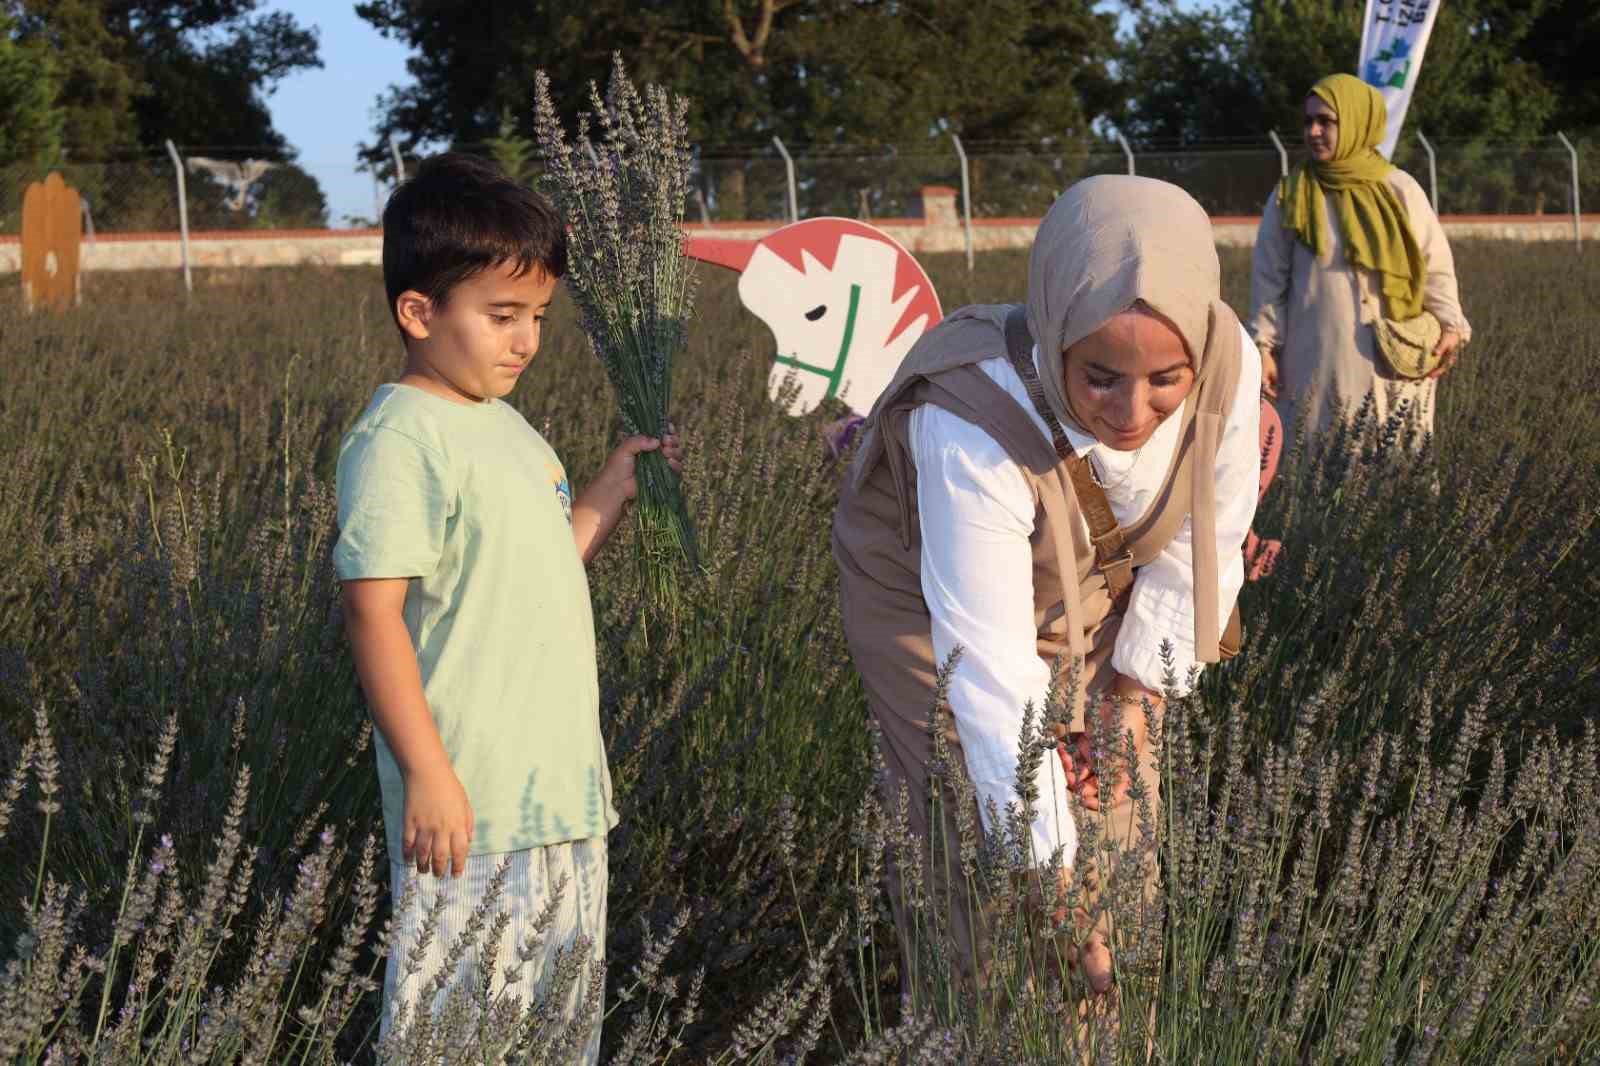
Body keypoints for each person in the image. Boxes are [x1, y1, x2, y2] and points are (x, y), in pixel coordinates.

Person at [832, 175, 1262, 997]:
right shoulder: (970, 425)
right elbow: (989, 677)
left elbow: (1207, 535)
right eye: (1099, 377)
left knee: (1120, 812)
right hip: (926, 605)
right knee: (966, 828)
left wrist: (1132, 702)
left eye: (1164, 381)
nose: (1132, 410)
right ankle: (977, 1021)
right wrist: (1057, 892)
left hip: (1093, 572)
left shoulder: (1224, 359)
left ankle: (1110, 1028)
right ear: (1057, 330)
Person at [332, 153, 681, 1058]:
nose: (524, 341)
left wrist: (610, 489)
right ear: (419, 312)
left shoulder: (509, 427)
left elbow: (543, 571)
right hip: (469, 809)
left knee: (555, 1034)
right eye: (499, 316)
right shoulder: (401, 437)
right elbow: (372, 616)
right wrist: (428, 773)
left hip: (562, 796)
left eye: (536, 318)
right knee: (455, 1032)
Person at [1251, 73, 1471, 449]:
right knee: (1317, 459)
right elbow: (1269, 278)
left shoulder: (1398, 189)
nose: (1314, 131)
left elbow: (1435, 266)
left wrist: (1451, 325)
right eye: (1308, 121)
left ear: (1355, 121)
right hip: (1313, 355)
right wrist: (1263, 347)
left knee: (1394, 456)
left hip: (1393, 351)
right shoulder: (1292, 194)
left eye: (1326, 121)